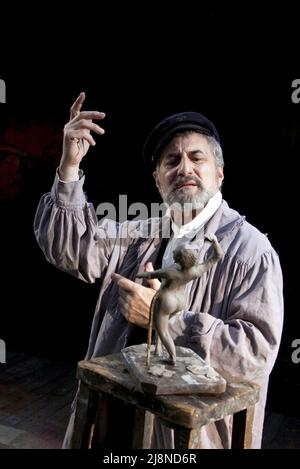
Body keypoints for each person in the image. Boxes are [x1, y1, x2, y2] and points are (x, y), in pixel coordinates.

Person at [34, 92, 283, 449]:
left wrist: (162, 318)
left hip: (183, 439)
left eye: (197, 158)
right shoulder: (139, 235)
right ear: (158, 180)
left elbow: (254, 354)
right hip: (113, 419)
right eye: (171, 161)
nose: (184, 168)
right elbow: (70, 248)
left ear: (220, 173)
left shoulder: (250, 250)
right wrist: (69, 167)